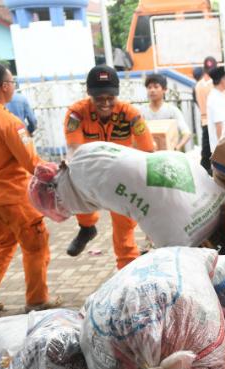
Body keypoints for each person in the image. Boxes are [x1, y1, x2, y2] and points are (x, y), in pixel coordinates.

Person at [0, 63, 59, 313]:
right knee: (36, 246)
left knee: (2, 245)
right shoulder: (9, 122)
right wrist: (56, 170)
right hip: (14, 197)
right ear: (5, 86)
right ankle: (37, 299)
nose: (14, 87)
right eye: (12, 82)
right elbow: (31, 163)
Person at [63, 65, 154, 267]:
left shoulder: (130, 115)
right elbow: (74, 148)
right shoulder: (76, 113)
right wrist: (71, 165)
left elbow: (148, 151)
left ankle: (127, 268)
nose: (105, 103)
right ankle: (87, 227)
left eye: (110, 98)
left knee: (124, 225)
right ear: (89, 95)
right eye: (99, 99)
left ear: (117, 95)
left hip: (121, 174)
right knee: (70, 182)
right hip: (89, 171)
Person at [139, 73, 192, 151]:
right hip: (149, 155)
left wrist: (176, 147)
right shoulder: (141, 111)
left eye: (156, 87)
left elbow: (186, 133)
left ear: (164, 89)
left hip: (169, 155)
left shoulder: (172, 110)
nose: (152, 90)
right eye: (149, 87)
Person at [195, 56, 217, 174]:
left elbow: (197, 102)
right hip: (214, 120)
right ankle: (207, 171)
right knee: (212, 147)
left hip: (204, 120)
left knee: (206, 147)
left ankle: (204, 170)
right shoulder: (215, 85)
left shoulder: (198, 85)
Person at [207, 66, 225, 157]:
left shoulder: (218, 96)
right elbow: (218, 125)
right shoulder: (215, 98)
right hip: (221, 148)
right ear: (222, 80)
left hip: (224, 145)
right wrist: (221, 149)